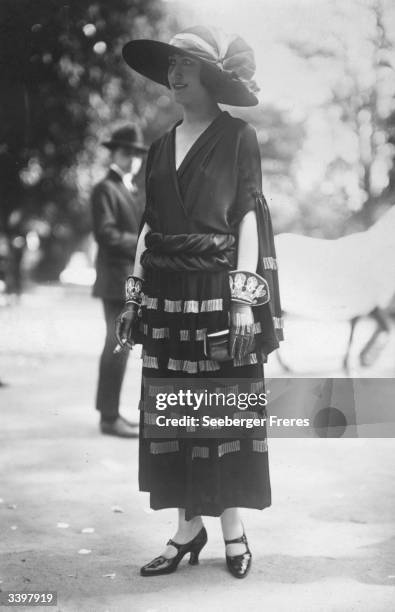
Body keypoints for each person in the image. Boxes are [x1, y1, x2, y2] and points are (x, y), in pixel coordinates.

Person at [116, 25, 283, 577]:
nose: (175, 71)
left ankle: (232, 529)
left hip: (217, 293)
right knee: (174, 411)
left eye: (186, 63)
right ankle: (187, 533)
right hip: (166, 296)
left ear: (209, 74)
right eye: (170, 63)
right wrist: (134, 296)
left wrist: (241, 299)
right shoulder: (160, 145)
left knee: (219, 412)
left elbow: (248, 220)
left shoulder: (239, 137)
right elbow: (147, 227)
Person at [91, 124, 148, 437]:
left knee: (121, 345)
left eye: (137, 155)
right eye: (127, 152)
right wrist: (143, 243)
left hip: (126, 278)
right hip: (114, 279)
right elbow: (106, 234)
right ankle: (109, 417)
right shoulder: (105, 188)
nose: (132, 160)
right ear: (113, 152)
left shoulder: (129, 188)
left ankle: (111, 414)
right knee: (116, 344)